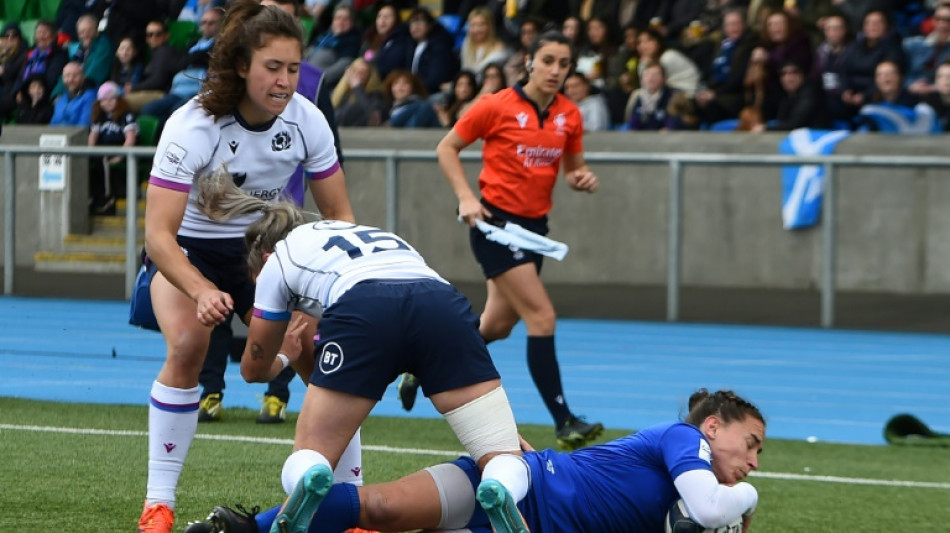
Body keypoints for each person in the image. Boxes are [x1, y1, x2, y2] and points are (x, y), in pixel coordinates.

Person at [185, 166, 531, 533]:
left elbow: (253, 370)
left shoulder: (277, 261)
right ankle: (501, 482)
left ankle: (310, 476)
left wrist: (284, 352)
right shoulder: (372, 235)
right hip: (442, 303)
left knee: (312, 452)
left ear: (263, 257)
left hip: (365, 308)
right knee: (503, 453)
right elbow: (408, 319)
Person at [136, 2, 355, 532]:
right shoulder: (192, 125)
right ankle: (158, 505)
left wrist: (317, 302)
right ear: (241, 66)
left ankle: (352, 505)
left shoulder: (308, 119)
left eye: (293, 68)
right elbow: (157, 236)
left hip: (264, 254)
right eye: (272, 68)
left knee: (326, 358)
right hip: (188, 254)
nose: (285, 80)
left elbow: (340, 218)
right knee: (189, 344)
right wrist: (201, 289)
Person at [185, 388, 764, 533]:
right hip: (518, 484)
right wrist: (749, 500)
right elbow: (715, 509)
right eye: (752, 442)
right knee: (379, 505)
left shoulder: (679, 501)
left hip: (522, 508)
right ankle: (248, 526)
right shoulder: (685, 439)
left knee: (381, 509)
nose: (754, 461)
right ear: (713, 426)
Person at [433, 30, 603, 451]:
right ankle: (565, 420)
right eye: (548, 60)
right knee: (541, 317)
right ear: (530, 61)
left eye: (564, 64)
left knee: (497, 325)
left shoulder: (569, 115)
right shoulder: (496, 105)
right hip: (494, 226)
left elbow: (571, 169)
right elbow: (447, 147)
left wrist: (580, 179)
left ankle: (427, 362)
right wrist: (466, 197)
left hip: (535, 231)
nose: (556, 70)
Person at [87, 81, 138, 215]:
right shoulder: (100, 116)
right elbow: (93, 136)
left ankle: (107, 199)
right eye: (104, 100)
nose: (107, 102)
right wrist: (89, 152)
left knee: (103, 162)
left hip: (118, 151)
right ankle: (92, 198)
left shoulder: (126, 116)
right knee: (91, 162)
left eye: (111, 99)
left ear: (118, 99)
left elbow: (130, 139)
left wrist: (120, 156)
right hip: (101, 151)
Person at [50, 61, 97, 126]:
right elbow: (52, 126)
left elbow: (84, 126)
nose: (70, 79)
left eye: (75, 75)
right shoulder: (61, 100)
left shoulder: (90, 96)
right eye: (67, 76)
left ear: (83, 77)